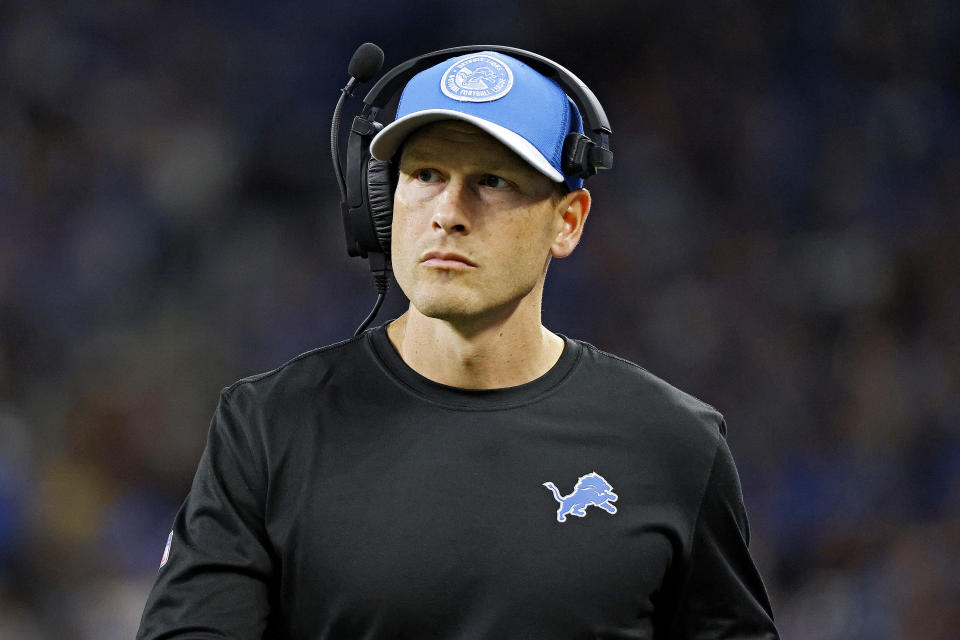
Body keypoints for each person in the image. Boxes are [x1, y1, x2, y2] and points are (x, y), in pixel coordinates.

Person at [137, 49, 779, 639]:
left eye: (493, 181)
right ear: (380, 207)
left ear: (568, 220)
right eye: (425, 173)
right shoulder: (268, 430)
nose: (449, 210)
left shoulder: (674, 446)